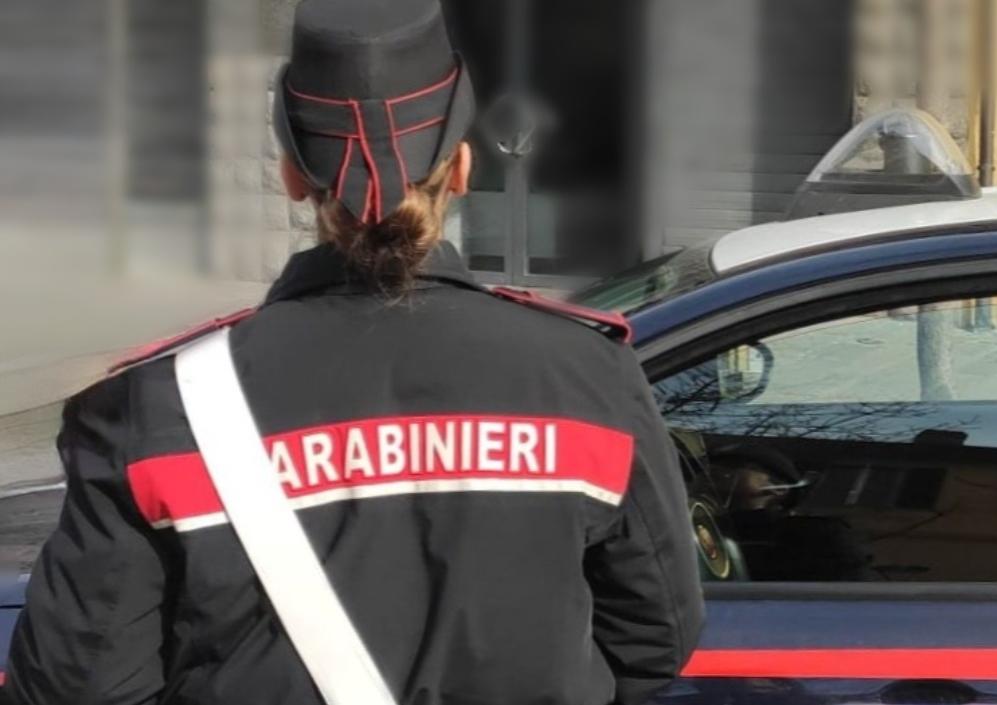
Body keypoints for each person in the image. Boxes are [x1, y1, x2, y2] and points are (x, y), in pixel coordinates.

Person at [0, 1, 704, 703]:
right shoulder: (586, 374)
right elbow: (654, 638)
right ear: (460, 166)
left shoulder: (155, 406)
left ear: (291, 175)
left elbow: (77, 683)